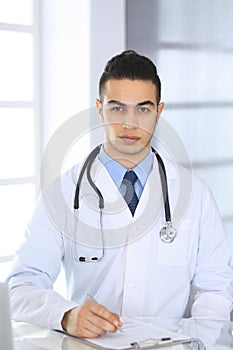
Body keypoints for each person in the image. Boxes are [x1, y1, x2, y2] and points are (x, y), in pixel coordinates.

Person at [7, 50, 233, 339]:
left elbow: (215, 287)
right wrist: (65, 315)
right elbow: (21, 285)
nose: (130, 124)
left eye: (143, 109)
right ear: (100, 109)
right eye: (117, 108)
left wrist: (200, 340)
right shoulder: (62, 194)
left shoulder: (196, 195)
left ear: (159, 111)